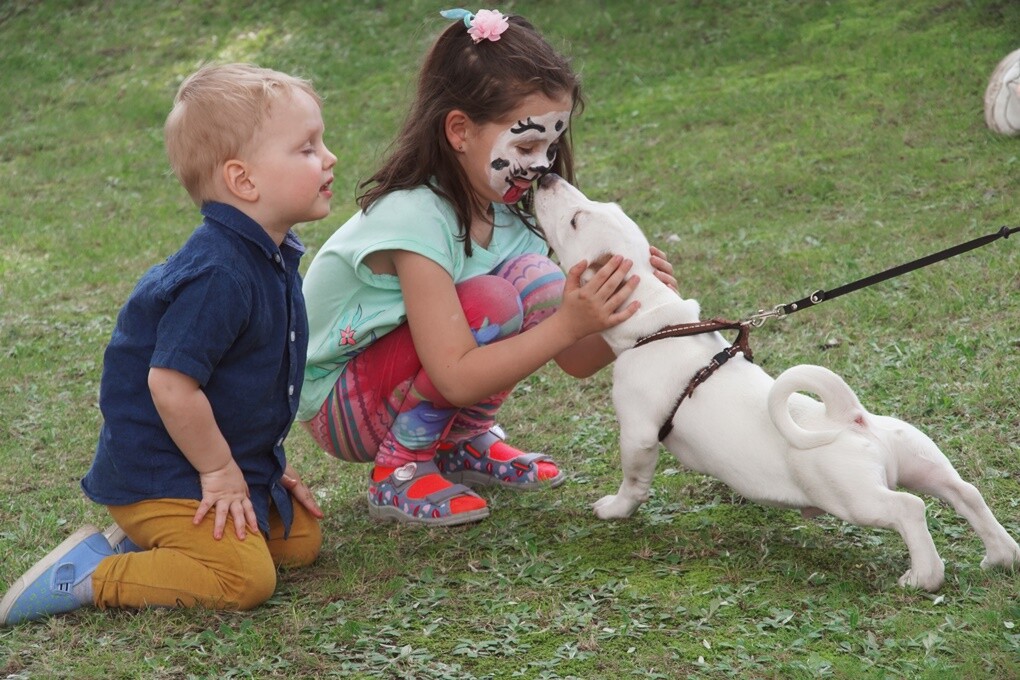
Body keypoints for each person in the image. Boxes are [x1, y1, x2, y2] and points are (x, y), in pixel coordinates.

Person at [298, 8, 677, 526]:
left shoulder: (509, 214)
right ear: (459, 130)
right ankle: (400, 470)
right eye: (526, 144)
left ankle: (460, 442)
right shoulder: (415, 217)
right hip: (343, 406)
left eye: (551, 145)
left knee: (539, 280)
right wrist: (567, 324)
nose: (542, 164)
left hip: (401, 388)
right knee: (491, 302)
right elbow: (454, 377)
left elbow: (574, 358)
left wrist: (623, 308)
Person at [0, 63, 336, 626]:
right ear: (244, 181)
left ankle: (157, 542)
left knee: (298, 540)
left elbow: (240, 384)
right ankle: (88, 576)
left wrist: (259, 467)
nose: (328, 157)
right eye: (307, 148)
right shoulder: (218, 275)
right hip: (160, 475)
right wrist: (222, 472)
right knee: (245, 580)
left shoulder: (271, 254)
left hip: (205, 461)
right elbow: (171, 385)